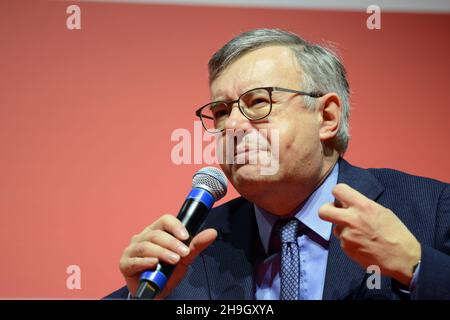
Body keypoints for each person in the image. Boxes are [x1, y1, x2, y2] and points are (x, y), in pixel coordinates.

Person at [106, 29, 450, 300]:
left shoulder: (429, 210)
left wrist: (416, 267)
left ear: (327, 116)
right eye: (222, 112)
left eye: (258, 102)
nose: (233, 126)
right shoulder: (190, 248)